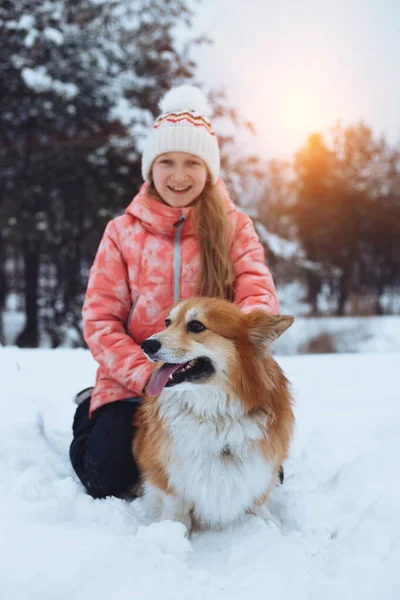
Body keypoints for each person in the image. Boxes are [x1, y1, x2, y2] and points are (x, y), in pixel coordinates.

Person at [69, 85, 280, 499]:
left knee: (255, 476)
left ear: (208, 170)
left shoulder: (235, 227)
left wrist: (247, 329)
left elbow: (257, 288)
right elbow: (99, 320)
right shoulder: (121, 232)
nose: (179, 175)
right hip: (137, 382)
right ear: (151, 167)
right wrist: (144, 372)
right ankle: (87, 409)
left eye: (191, 163)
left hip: (211, 384)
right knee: (108, 477)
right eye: (166, 161)